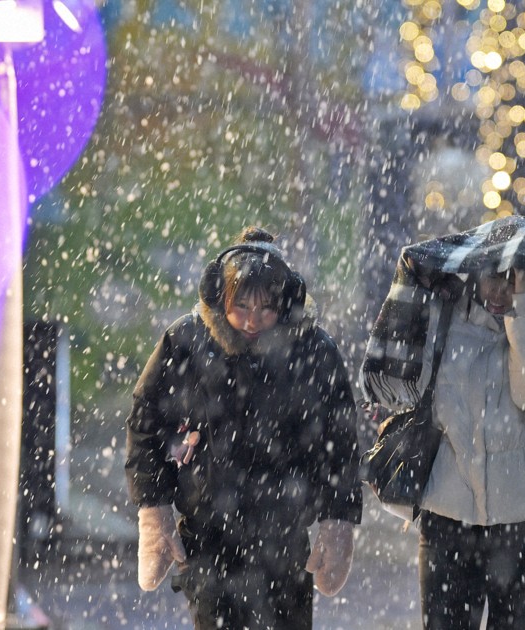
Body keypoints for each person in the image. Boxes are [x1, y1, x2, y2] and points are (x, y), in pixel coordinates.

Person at [125, 227, 362, 630]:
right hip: (208, 537)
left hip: (285, 537)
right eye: (242, 307)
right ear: (222, 298)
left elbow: (339, 441)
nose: (252, 321)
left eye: (265, 308)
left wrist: (337, 522)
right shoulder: (187, 340)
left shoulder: (313, 350)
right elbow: (146, 421)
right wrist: (155, 510)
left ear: (283, 302)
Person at [363, 261, 525, 630]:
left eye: (512, 280)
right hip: (449, 516)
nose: (500, 291)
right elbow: (395, 385)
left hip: (521, 520)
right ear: (474, 275)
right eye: (493, 278)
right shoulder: (445, 318)